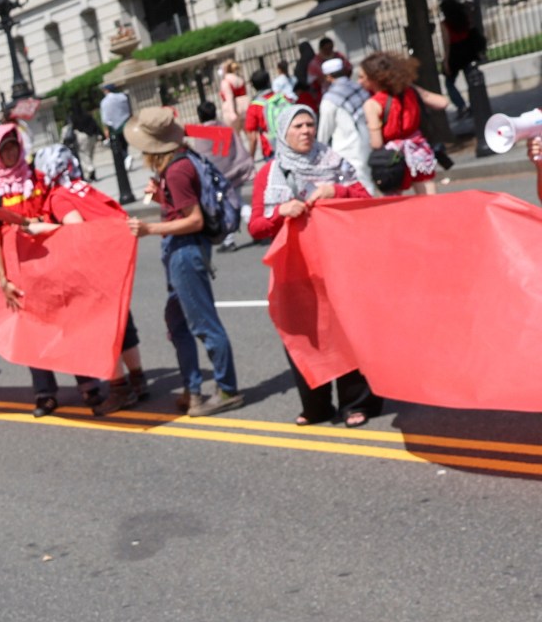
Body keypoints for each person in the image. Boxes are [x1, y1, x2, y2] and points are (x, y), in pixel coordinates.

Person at [246, 103, 380, 427]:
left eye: (310, 125)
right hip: (295, 269)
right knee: (303, 335)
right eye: (298, 126)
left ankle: (356, 403)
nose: (306, 131)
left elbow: (365, 199)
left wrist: (337, 190)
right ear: (283, 132)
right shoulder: (270, 172)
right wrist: (280, 212)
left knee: (345, 331)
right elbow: (255, 225)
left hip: (339, 263)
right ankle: (316, 406)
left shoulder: (333, 161)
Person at [124, 106, 243, 416]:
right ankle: (192, 390)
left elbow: (194, 221)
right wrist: (163, 198)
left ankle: (227, 389)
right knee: (177, 322)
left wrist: (150, 228)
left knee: (203, 323)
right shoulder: (179, 163)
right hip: (181, 249)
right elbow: (183, 208)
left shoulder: (176, 170)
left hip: (186, 248)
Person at [0, 132, 108, 417]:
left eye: (14, 147)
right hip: (22, 271)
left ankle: (88, 385)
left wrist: (40, 222)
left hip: (52, 264)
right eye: (5, 150)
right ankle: (45, 393)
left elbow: (55, 210)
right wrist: (3, 279)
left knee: (67, 323)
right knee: (34, 333)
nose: (12, 154)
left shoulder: (38, 179)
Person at [32, 144, 149, 407]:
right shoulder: (81, 186)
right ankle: (138, 381)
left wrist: (42, 228)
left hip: (96, 265)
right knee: (123, 322)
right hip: (116, 258)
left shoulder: (59, 196)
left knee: (104, 328)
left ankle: (120, 390)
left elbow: (77, 228)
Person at [360, 50, 451, 196]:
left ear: (375, 78)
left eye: (362, 77)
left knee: (395, 203)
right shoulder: (410, 90)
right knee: (429, 200)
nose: (359, 81)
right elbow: (442, 102)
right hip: (418, 149)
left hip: (392, 158)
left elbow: (376, 143)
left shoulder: (372, 104)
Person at [313, 57, 377, 195]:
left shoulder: (330, 98)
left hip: (348, 148)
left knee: (359, 182)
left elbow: (325, 131)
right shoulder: (358, 87)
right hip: (368, 140)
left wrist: (318, 149)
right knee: (367, 177)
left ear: (328, 77)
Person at [241, 69, 285, 159]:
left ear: (254, 87)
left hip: (271, 149)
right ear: (269, 81)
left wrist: (251, 158)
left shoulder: (254, 107)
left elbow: (253, 138)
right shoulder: (282, 97)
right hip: (290, 143)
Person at [99, 83, 134, 172]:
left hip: (113, 127)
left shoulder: (104, 102)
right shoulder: (123, 97)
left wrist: (106, 130)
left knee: (117, 146)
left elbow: (105, 118)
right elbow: (129, 110)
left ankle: (126, 157)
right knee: (125, 144)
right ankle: (126, 158)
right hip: (125, 123)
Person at [216, 59, 249, 151]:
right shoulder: (240, 78)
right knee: (249, 134)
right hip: (245, 107)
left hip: (233, 109)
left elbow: (229, 97)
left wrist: (232, 113)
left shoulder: (225, 81)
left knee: (235, 136)